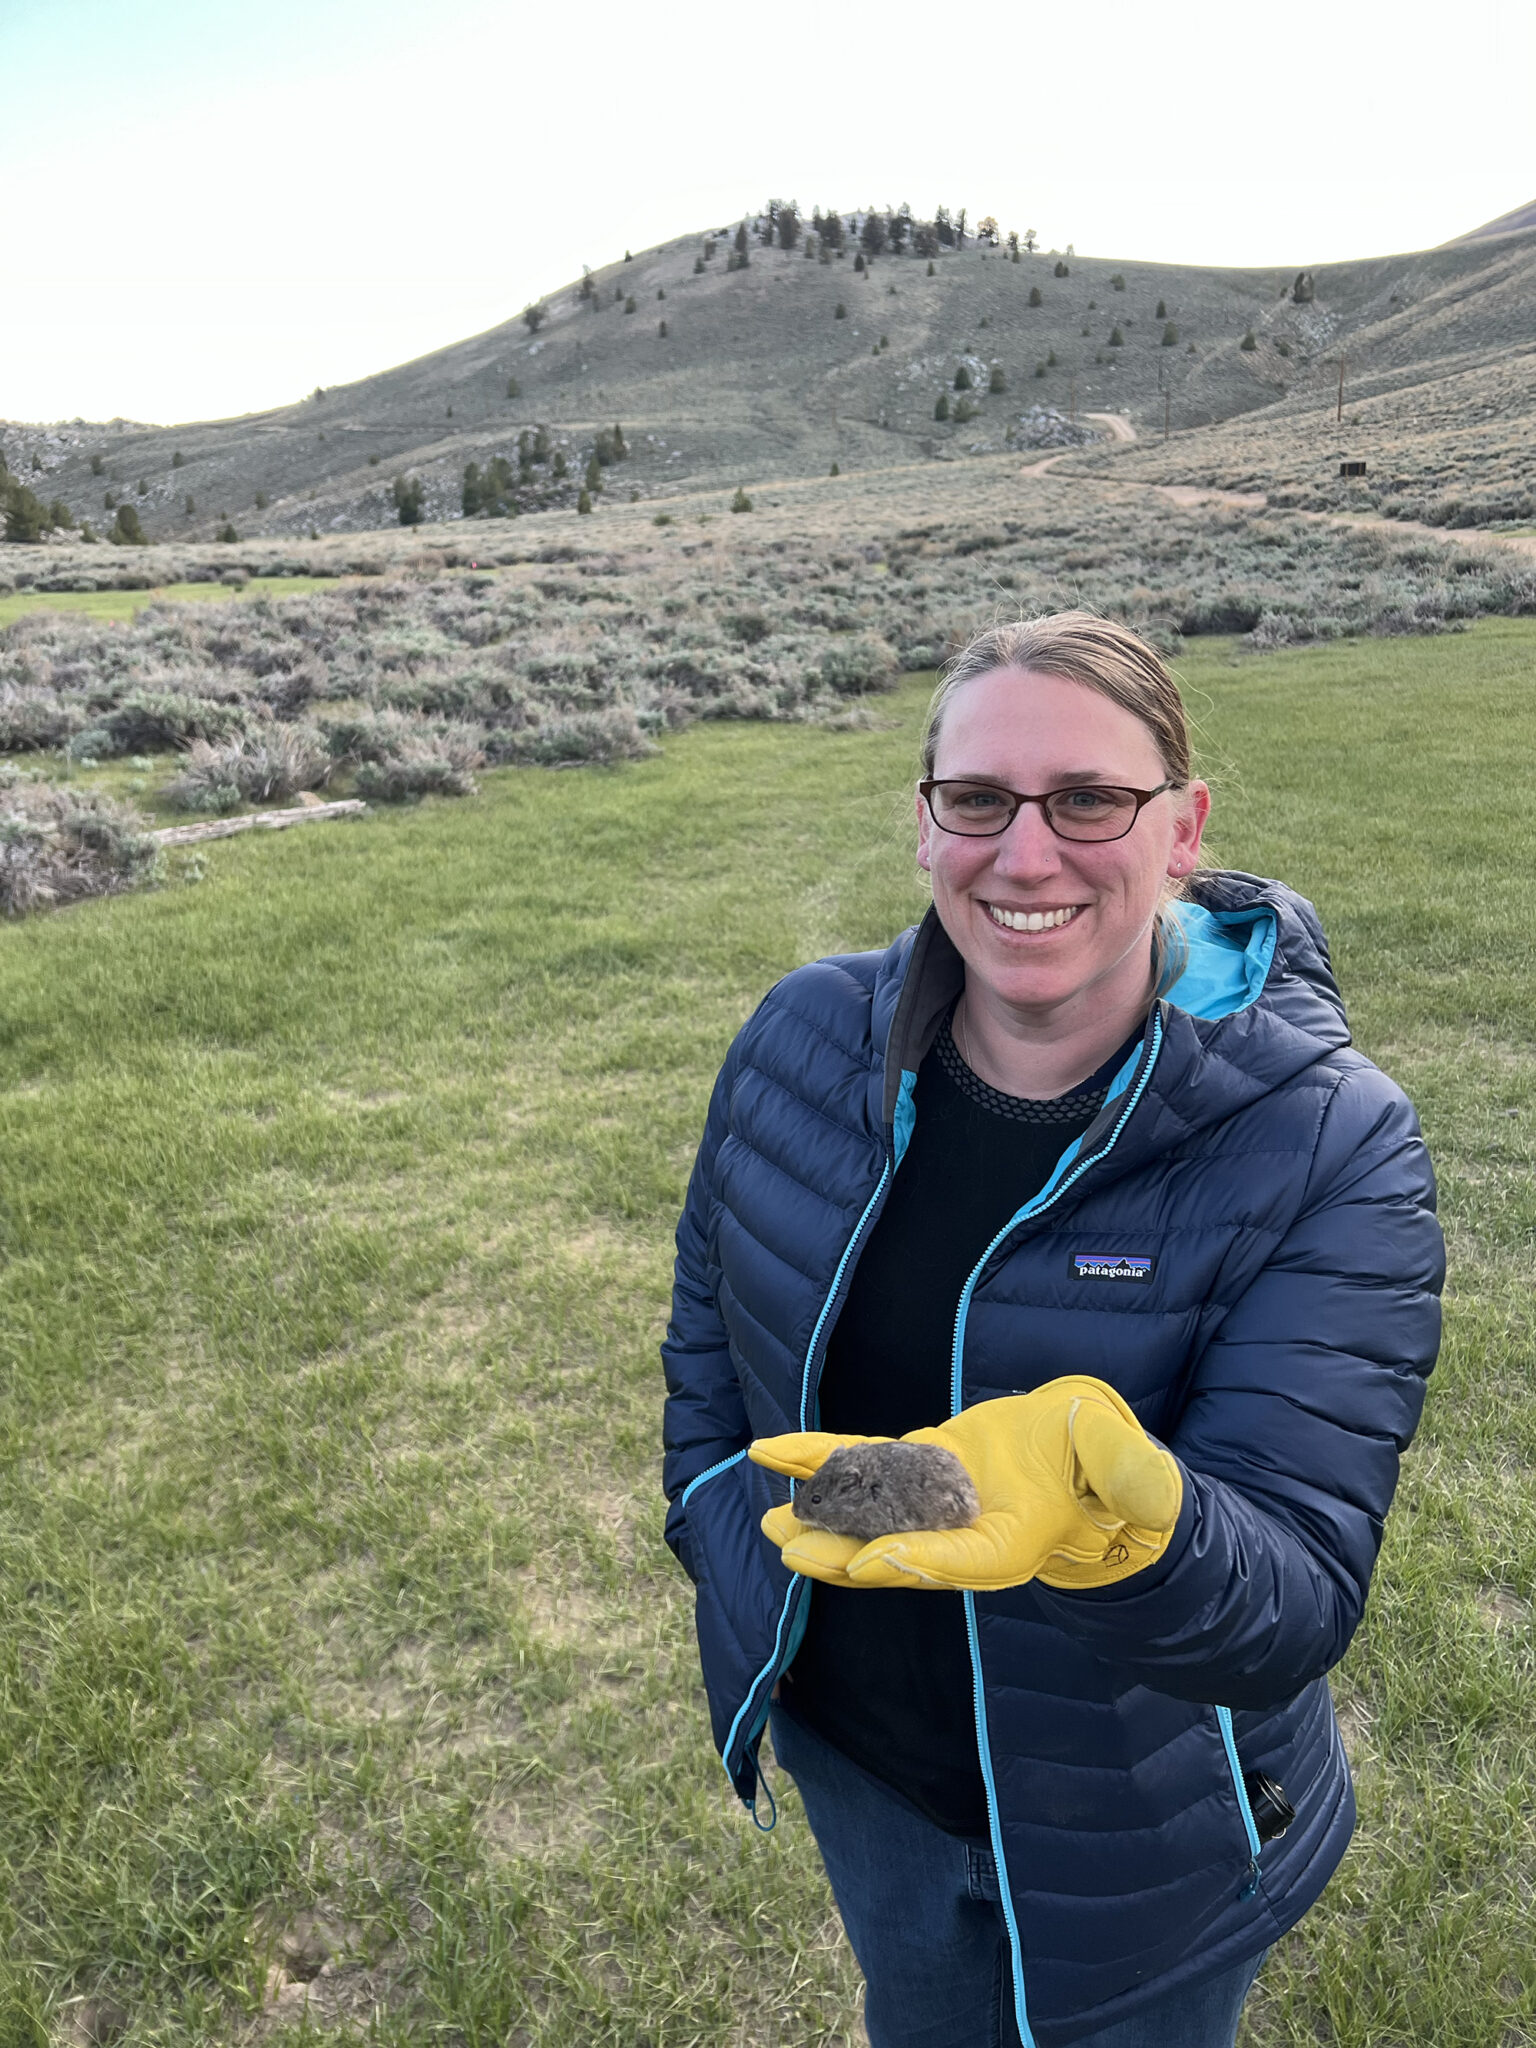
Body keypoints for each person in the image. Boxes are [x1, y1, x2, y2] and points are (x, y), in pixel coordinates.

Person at [660, 612, 1443, 2048]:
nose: (1027, 855)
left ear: (1186, 825)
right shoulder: (795, 1040)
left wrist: (1121, 1531)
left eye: (1089, 799)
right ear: (925, 821)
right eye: (979, 800)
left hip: (1142, 1833)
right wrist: (723, 1532)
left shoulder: (1328, 1142)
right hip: (867, 1777)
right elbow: (709, 1356)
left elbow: (1295, 1592)